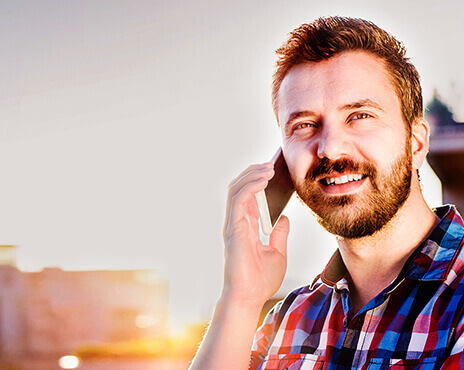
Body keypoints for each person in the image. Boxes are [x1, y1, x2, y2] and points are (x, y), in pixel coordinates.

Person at [189, 16, 464, 369]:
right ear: (283, 162)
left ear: (416, 142)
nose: (330, 149)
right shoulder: (288, 320)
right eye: (304, 125)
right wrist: (240, 298)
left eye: (359, 115)